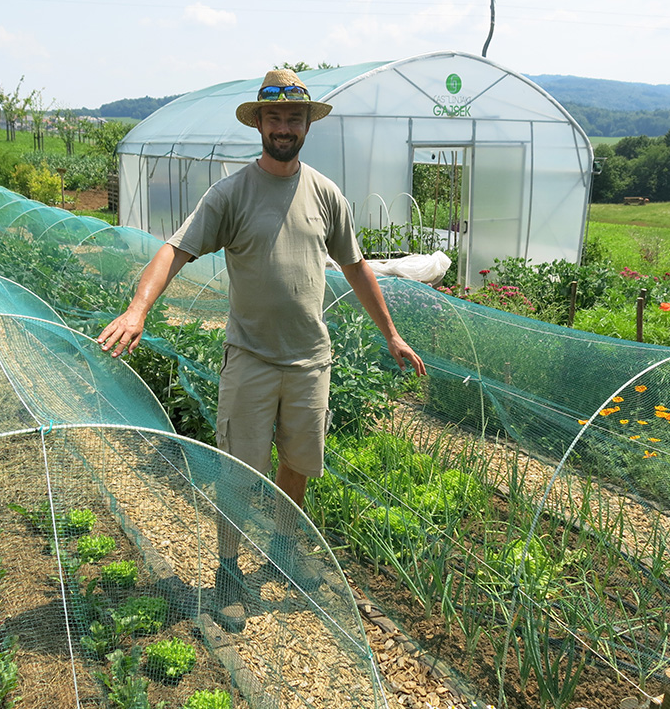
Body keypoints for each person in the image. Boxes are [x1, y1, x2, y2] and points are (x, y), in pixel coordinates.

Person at [98, 68, 426, 631]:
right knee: (237, 471)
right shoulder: (231, 193)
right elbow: (174, 250)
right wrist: (137, 309)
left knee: (298, 464)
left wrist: (391, 333)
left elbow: (356, 266)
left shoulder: (326, 195)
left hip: (309, 361)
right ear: (259, 123)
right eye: (273, 117)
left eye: (293, 118)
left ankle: (283, 545)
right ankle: (228, 571)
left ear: (305, 126)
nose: (283, 126)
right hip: (250, 358)